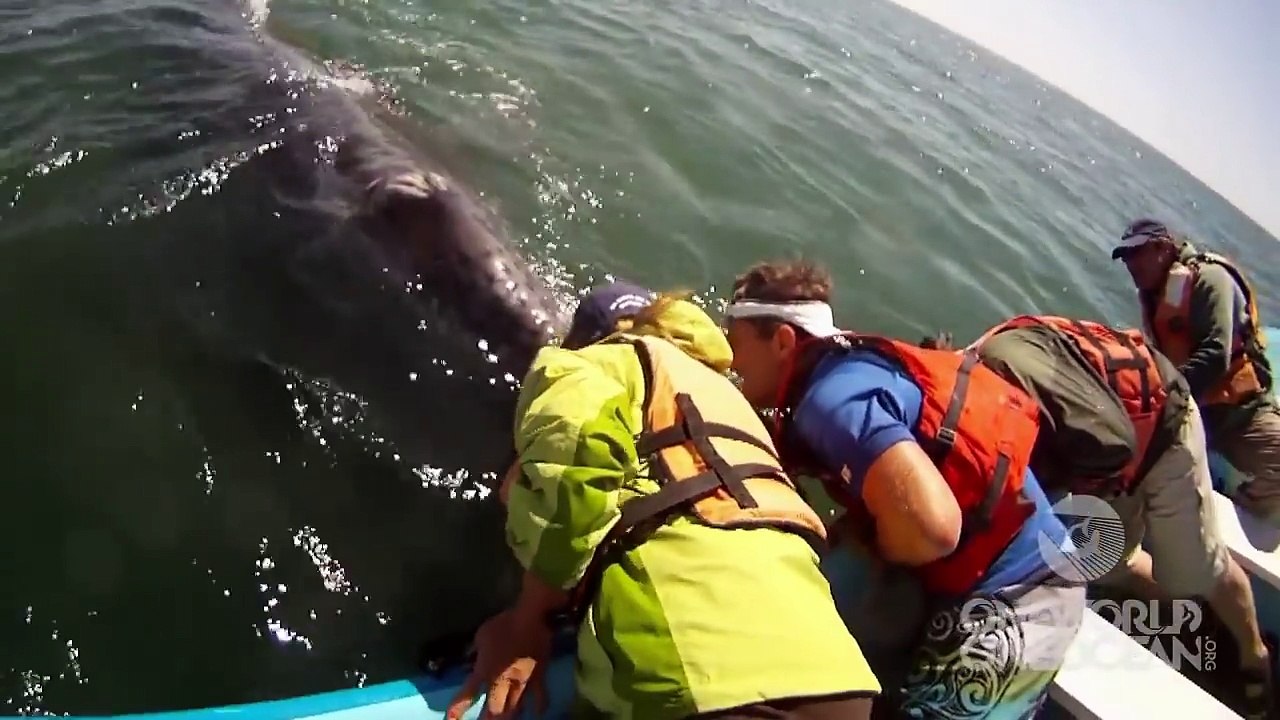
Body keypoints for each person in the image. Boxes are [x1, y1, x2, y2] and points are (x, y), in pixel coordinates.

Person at [447, 282, 882, 720]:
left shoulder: (592, 365)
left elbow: (575, 472)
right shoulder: (729, 401)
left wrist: (526, 626)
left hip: (703, 679)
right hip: (839, 680)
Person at [722, 259, 1084, 720]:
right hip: (1001, 567)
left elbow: (934, 529)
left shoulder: (830, 401)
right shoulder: (852, 365)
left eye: (735, 342)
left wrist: (873, 542)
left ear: (783, 340)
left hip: (1024, 593)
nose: (730, 358)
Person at [956, 314, 1272, 719]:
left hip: (1163, 429)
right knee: (1108, 560)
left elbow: (1100, 456)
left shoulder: (1008, 416)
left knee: (1198, 571)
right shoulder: (973, 374)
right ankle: (1196, 617)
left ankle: (1253, 653)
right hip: (1104, 424)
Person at [1113, 218, 1280, 518]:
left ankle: (1233, 510)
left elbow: (1216, 355)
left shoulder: (1209, 279)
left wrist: (1164, 400)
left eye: (1136, 254)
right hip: (1187, 409)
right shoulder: (1156, 294)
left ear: (1162, 248)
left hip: (1238, 415)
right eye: (1125, 257)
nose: (1129, 264)